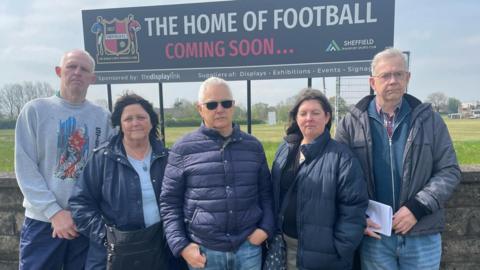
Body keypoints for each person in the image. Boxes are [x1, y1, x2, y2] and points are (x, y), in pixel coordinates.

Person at [335, 48, 461, 270]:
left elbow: (449, 170)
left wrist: (417, 207)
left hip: (422, 233)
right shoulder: (350, 123)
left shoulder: (430, 121)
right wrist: (356, 216)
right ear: (373, 82)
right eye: (385, 75)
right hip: (375, 236)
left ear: (408, 78)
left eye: (399, 74)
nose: (393, 80)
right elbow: (338, 179)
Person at [160, 77, 274, 270]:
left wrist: (265, 229)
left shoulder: (253, 146)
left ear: (233, 106)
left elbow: (266, 195)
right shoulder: (182, 149)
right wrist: (181, 246)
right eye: (212, 104)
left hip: (248, 248)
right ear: (200, 109)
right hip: (205, 253)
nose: (220, 109)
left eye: (226, 103)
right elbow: (169, 202)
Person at [14, 49, 113, 270]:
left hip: (85, 223)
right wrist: (55, 213)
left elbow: (107, 170)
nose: (77, 72)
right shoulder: (35, 111)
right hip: (43, 222)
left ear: (92, 78)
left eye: (84, 69)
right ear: (59, 72)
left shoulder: (103, 117)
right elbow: (25, 168)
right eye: (71, 67)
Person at [69, 93, 187, 270]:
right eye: (128, 119)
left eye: (141, 117)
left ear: (151, 121)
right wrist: (105, 236)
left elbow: (183, 201)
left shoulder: (168, 158)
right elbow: (80, 203)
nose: (135, 123)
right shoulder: (102, 159)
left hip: (163, 252)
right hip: (114, 255)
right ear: (120, 124)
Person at [270, 88, 368, 270]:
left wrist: (338, 251)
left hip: (324, 257)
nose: (309, 118)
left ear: (327, 117)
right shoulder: (285, 150)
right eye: (303, 113)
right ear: (296, 118)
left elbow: (353, 210)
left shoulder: (342, 158)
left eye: (315, 113)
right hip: (284, 248)